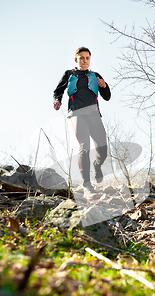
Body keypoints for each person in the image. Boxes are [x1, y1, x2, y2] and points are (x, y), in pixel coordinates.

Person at [53, 47, 111, 198]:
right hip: (77, 113)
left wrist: (104, 86)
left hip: (93, 114)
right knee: (84, 147)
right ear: (76, 60)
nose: (84, 61)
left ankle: (97, 166)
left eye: (87, 58)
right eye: (81, 58)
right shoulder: (69, 74)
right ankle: (87, 185)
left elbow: (107, 96)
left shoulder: (95, 75)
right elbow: (58, 91)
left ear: (90, 60)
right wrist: (57, 101)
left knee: (103, 148)